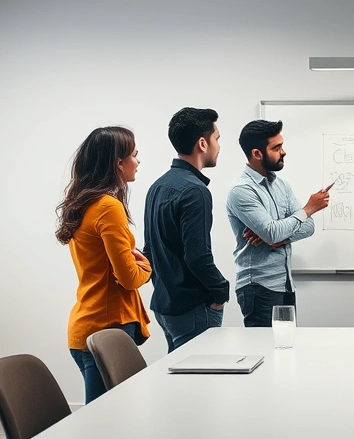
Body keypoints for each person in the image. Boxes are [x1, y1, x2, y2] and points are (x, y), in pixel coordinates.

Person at [56, 126, 151, 404]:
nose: (138, 161)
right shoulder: (108, 206)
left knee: (107, 417)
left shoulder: (84, 203)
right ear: (118, 163)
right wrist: (147, 267)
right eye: (134, 155)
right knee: (104, 421)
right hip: (107, 327)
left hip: (89, 325)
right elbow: (130, 277)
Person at [226, 120, 331, 327]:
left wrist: (278, 238)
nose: (283, 152)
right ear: (257, 153)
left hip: (284, 284)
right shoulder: (242, 190)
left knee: (287, 346)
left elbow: (308, 227)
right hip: (258, 285)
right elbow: (274, 231)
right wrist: (308, 208)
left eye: (281, 146)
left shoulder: (280, 184)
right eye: (276, 148)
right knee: (264, 349)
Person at [143, 107, 231, 352]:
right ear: (202, 144)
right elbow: (198, 256)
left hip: (165, 305)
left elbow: (149, 250)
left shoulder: (157, 186)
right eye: (217, 139)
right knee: (200, 383)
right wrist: (221, 291)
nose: (219, 146)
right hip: (192, 308)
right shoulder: (195, 191)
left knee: (181, 382)